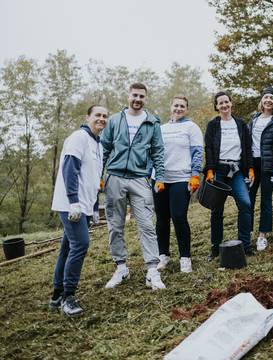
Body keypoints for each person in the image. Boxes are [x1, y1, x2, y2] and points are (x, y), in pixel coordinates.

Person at [102, 83, 167, 290]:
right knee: (115, 225)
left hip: (141, 179)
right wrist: (98, 176)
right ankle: (121, 268)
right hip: (115, 177)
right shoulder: (113, 120)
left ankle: (152, 271)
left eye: (141, 96)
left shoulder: (152, 122)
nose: (137, 99)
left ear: (146, 98)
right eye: (134, 95)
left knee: (147, 225)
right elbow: (104, 149)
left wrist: (160, 177)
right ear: (128, 95)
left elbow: (157, 152)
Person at [49, 105, 107, 316]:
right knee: (81, 244)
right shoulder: (79, 137)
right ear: (88, 117)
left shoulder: (97, 144)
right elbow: (69, 169)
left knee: (67, 247)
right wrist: (73, 201)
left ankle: (56, 294)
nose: (101, 119)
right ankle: (68, 297)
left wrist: (93, 208)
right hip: (71, 204)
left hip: (84, 205)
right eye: (97, 115)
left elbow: (92, 180)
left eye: (104, 116)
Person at [154, 96, 203, 273]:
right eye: (176, 105)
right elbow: (155, 152)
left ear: (187, 109)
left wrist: (195, 175)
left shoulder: (192, 127)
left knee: (179, 216)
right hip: (160, 179)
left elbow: (197, 152)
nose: (179, 108)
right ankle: (163, 255)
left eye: (182, 106)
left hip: (181, 178)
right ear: (171, 107)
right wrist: (155, 175)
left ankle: (185, 257)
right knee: (161, 219)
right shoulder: (161, 128)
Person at [204, 91, 255, 259]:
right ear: (216, 107)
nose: (224, 105)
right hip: (219, 170)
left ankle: (245, 245)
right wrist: (210, 170)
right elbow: (209, 148)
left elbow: (247, 148)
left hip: (237, 171)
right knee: (216, 209)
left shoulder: (241, 124)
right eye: (220, 103)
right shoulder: (213, 125)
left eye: (226, 102)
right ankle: (215, 248)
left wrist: (250, 169)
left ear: (231, 103)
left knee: (245, 204)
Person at [248, 86, 273, 252]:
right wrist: (246, 165)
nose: (268, 100)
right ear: (261, 101)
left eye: (272, 98)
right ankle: (247, 233)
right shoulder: (254, 119)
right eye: (266, 97)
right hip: (252, 165)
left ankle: (262, 235)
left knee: (266, 200)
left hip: (268, 165)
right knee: (248, 200)